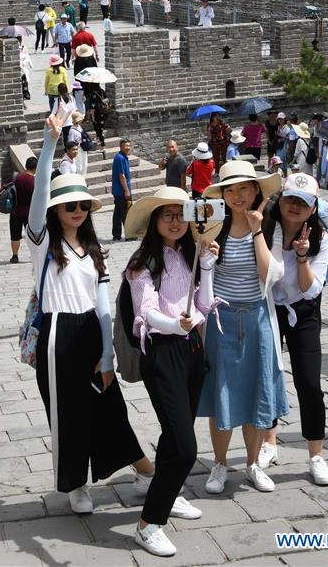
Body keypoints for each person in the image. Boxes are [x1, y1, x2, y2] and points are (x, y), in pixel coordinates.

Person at [26, 110, 151, 513]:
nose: (77, 211)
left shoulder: (96, 252)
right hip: (57, 333)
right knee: (69, 412)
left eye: (82, 204)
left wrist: (108, 352)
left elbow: (102, 307)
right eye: (69, 206)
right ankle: (76, 484)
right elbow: (40, 189)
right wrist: (50, 143)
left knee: (110, 405)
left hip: (92, 333)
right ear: (56, 211)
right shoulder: (44, 245)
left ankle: (145, 471)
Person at [126, 187, 219, 557]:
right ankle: (148, 524)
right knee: (184, 446)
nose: (176, 222)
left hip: (193, 349)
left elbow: (205, 304)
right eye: (167, 215)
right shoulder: (141, 263)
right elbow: (145, 312)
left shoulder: (190, 255)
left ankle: (170, 492)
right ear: (154, 221)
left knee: (173, 433)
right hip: (162, 354)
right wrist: (173, 324)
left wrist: (208, 268)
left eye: (181, 214)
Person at [198, 160, 287, 494]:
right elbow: (203, 278)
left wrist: (257, 230)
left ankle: (251, 464)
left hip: (257, 319)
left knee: (255, 393)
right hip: (221, 321)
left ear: (255, 192)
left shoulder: (268, 228)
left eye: (243, 188)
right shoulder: (211, 227)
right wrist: (207, 258)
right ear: (223, 194)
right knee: (221, 392)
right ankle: (220, 464)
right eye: (230, 189)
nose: (237, 195)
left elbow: (269, 277)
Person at [260, 173, 328, 486]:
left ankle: (316, 455)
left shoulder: (321, 236)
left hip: (302, 312)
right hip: (267, 308)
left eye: (302, 202)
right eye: (290, 199)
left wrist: (303, 255)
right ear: (281, 200)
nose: (295, 206)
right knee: (267, 377)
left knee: (309, 381)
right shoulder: (265, 228)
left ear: (313, 207)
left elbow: (309, 289)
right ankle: (269, 443)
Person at [9, 156, 38, 264]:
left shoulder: (16, 177)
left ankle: (15, 256)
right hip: (30, 213)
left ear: (26, 166)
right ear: (36, 168)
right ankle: (35, 255)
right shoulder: (35, 181)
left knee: (15, 236)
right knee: (32, 236)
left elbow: (3, 188)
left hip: (15, 211)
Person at [112, 139, 132, 241]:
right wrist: (126, 190)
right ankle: (128, 234)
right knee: (125, 212)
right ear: (120, 147)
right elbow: (121, 175)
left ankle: (116, 235)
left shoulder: (122, 157)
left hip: (119, 190)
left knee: (118, 213)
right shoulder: (120, 158)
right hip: (121, 191)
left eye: (129, 145)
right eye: (125, 146)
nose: (128, 147)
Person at [67, 112, 89, 176]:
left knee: (84, 163)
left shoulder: (79, 127)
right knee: (79, 165)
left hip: (83, 147)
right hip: (77, 149)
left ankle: (83, 179)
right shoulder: (72, 130)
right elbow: (71, 142)